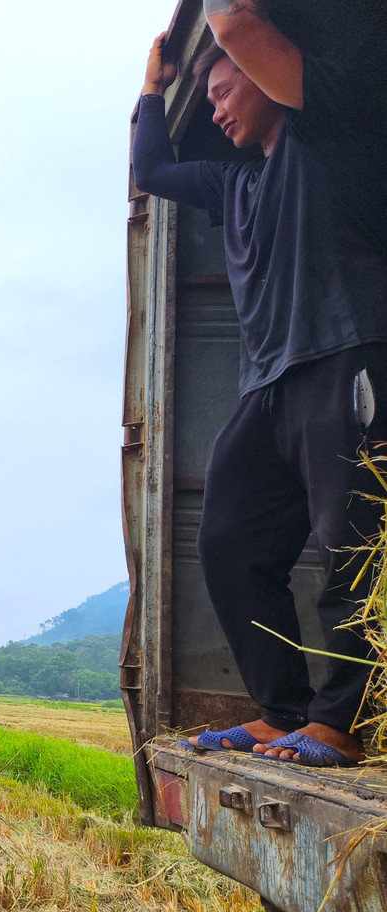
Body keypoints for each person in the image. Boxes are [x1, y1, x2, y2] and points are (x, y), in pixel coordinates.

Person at [132, 2, 387, 766]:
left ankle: (341, 721)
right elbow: (149, 171)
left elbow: (239, 22)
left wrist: (225, 32)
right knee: (229, 539)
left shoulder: (331, 132)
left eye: (224, 89)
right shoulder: (232, 181)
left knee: (352, 543)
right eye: (206, 94)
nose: (213, 105)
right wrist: (152, 92)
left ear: (271, 80)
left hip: (344, 353)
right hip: (267, 380)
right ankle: (282, 708)